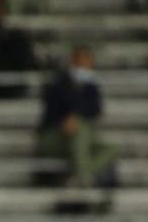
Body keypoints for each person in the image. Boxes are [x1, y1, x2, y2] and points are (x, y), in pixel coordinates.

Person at [38, 46, 116, 188]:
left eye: (87, 64)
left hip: (79, 138)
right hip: (53, 136)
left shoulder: (91, 88)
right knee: (79, 127)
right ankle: (84, 176)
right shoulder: (58, 84)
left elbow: (95, 110)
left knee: (110, 149)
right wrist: (69, 120)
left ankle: (82, 174)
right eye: (81, 64)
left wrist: (76, 116)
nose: (84, 68)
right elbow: (63, 107)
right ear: (72, 63)